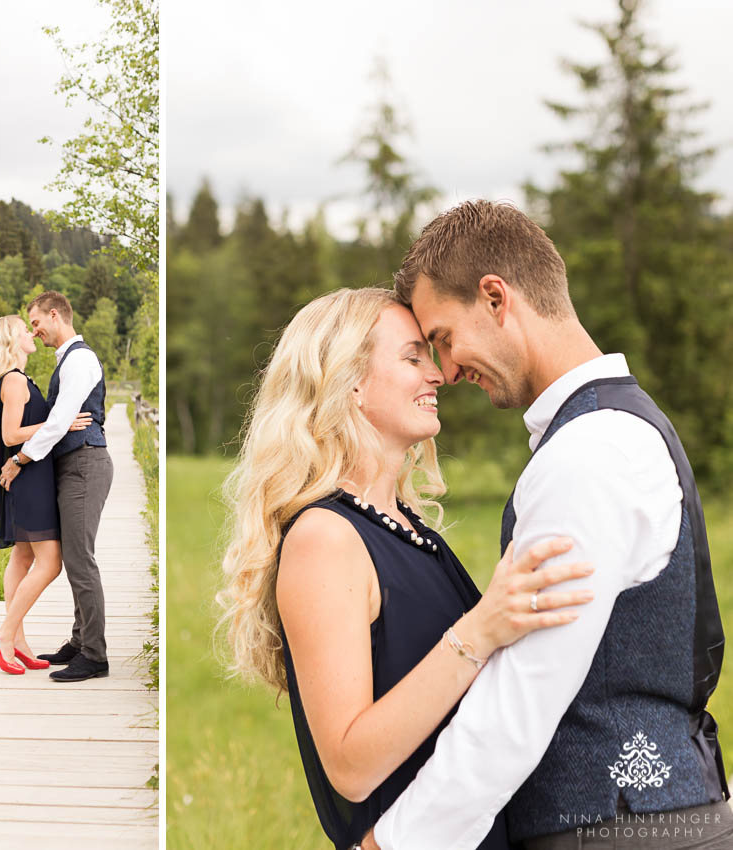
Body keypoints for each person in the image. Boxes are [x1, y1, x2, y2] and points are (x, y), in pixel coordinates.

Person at [361, 200, 729, 850]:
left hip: (615, 828)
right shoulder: (611, 429)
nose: (446, 372)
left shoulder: (588, 454)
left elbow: (524, 698)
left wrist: (394, 844)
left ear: (497, 298)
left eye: (444, 339)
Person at [218, 286, 594, 850]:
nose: (439, 374)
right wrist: (479, 629)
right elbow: (350, 765)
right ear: (348, 380)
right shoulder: (326, 538)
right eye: (412, 357)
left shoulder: (408, 527)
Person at [0, 291, 114, 683]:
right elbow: (58, 423)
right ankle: (80, 641)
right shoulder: (66, 360)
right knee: (76, 558)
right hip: (71, 466)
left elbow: (59, 421)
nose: (36, 331)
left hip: (84, 464)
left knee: (80, 560)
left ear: (54, 315)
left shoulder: (79, 359)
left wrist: (18, 460)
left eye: (36, 323)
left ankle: (94, 655)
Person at [0, 314, 90, 675]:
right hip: (27, 479)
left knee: (23, 558)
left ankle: (18, 641)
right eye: (26, 330)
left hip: (30, 474)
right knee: (50, 562)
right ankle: (5, 634)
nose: (32, 333)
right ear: (13, 339)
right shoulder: (13, 380)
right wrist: (61, 422)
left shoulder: (19, 379)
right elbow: (11, 435)